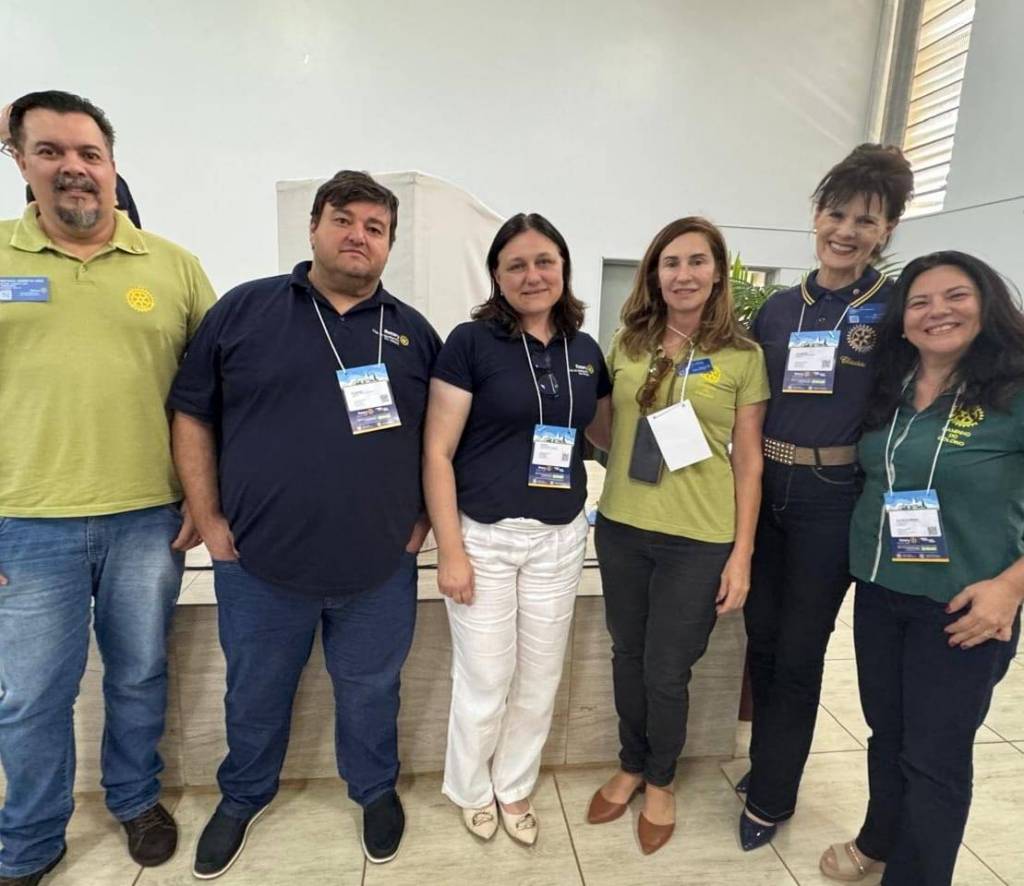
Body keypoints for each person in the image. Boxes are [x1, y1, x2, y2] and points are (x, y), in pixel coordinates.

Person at [168, 170, 440, 877]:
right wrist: (208, 516)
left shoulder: (414, 333)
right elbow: (191, 413)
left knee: (372, 691)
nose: (358, 236)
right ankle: (243, 795)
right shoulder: (245, 310)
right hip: (259, 564)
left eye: (375, 227)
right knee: (254, 693)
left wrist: (423, 522)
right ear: (314, 227)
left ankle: (374, 790)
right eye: (343, 219)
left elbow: (441, 441)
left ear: (390, 244)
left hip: (378, 568)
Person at [0, 90, 215, 885]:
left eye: (88, 153)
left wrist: (204, 499)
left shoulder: (173, 266)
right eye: (50, 151)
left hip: (147, 519)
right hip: (25, 522)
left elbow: (214, 394)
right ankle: (30, 836)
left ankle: (134, 800)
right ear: (20, 161)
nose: (73, 168)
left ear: (113, 165)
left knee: (139, 673)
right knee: (31, 695)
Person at [818, 252, 1024, 885]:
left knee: (936, 755)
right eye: (920, 302)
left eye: (956, 296)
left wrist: (1011, 587)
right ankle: (879, 838)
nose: (938, 312)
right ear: (902, 321)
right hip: (883, 591)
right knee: (887, 733)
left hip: (965, 604)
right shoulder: (892, 388)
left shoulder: (1014, 391)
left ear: (986, 304)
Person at [739, 144, 915, 850]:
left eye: (866, 221)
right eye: (836, 214)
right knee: (761, 637)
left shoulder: (894, 310)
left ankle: (772, 795)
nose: (846, 231)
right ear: (816, 216)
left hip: (833, 495)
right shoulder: (780, 308)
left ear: (887, 231)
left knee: (800, 648)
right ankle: (765, 763)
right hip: (764, 488)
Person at [423, 212, 611, 845]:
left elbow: (604, 434)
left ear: (564, 268)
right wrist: (450, 550)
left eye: (544, 262)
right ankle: (471, 787)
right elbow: (437, 452)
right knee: (485, 677)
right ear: (497, 276)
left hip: (560, 537)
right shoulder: (470, 344)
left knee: (540, 676)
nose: (533, 275)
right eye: (517, 265)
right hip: (485, 537)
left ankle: (513, 784)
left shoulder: (585, 350)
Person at [585, 217, 768, 854]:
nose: (683, 274)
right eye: (670, 263)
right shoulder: (627, 343)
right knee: (627, 656)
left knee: (667, 670)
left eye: (696, 262)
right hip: (622, 527)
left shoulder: (744, 356)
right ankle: (630, 763)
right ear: (654, 274)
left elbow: (749, 461)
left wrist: (742, 555)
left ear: (717, 273)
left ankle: (660, 779)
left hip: (699, 537)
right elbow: (604, 433)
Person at [2, 101, 142, 228]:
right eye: (6, 144)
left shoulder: (100, 184)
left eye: (11, 141)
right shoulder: (37, 186)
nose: (12, 149)